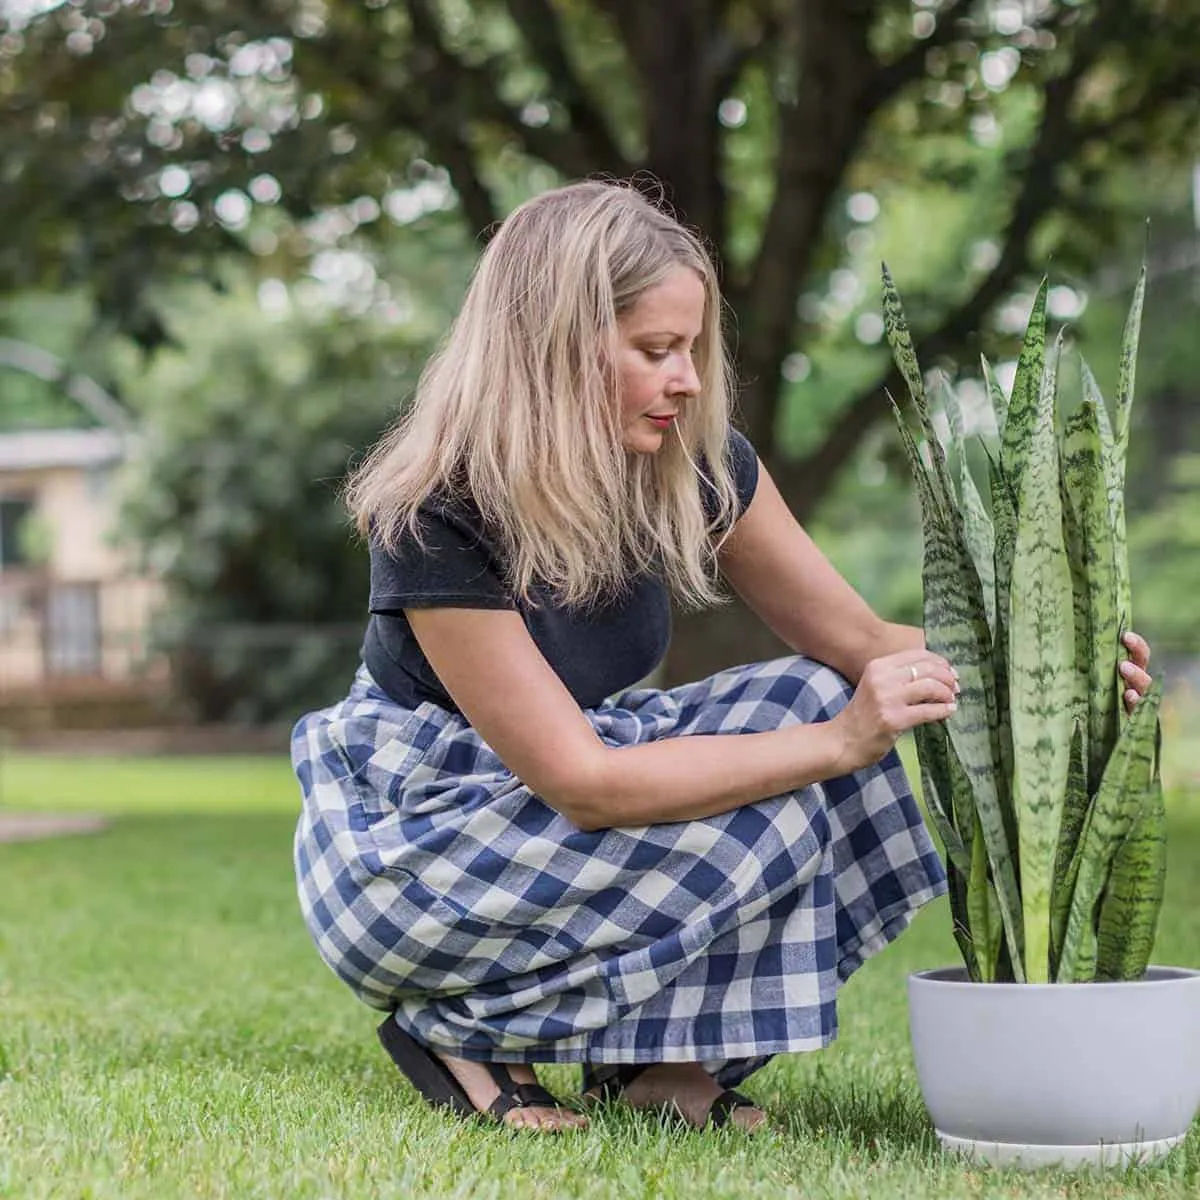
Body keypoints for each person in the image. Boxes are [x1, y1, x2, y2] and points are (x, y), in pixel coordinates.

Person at [290, 179, 1155, 1135]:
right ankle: (457, 1027)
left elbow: (865, 645)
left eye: (693, 349)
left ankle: (658, 1066)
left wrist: (1057, 661)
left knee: (835, 691)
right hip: (418, 844)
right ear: (553, 351)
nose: (689, 380)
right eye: (656, 351)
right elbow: (582, 782)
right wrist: (839, 744)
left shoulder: (693, 465)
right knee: (781, 811)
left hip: (553, 805)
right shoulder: (437, 512)